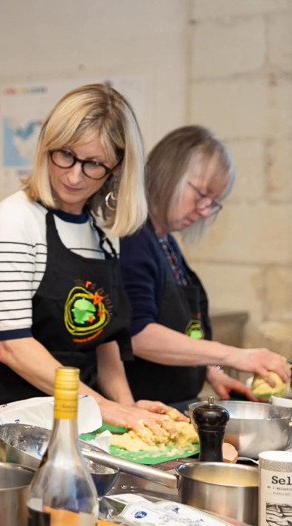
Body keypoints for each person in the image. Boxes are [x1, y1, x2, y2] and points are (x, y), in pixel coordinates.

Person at [0, 83, 186, 450]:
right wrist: (102, 407)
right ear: (46, 147)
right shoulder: (14, 219)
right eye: (65, 155)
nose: (73, 176)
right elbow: (13, 347)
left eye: (93, 164)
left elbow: (104, 344)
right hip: (4, 430)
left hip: (73, 424)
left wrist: (127, 408)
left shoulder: (102, 230)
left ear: (116, 168)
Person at [120, 125, 291, 411]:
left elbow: (175, 328)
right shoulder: (133, 239)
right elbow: (139, 336)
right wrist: (236, 356)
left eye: (212, 203)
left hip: (175, 405)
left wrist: (211, 372)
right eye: (201, 195)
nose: (203, 211)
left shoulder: (165, 241)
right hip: (142, 407)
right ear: (168, 174)